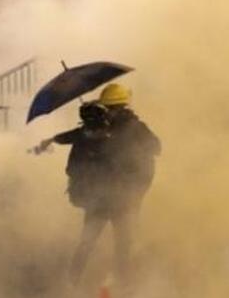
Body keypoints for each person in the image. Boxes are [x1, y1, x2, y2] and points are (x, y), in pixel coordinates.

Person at [33, 86, 160, 285]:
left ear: (117, 107)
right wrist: (53, 139)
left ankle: (88, 280)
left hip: (113, 198)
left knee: (102, 242)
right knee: (109, 243)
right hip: (109, 198)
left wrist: (120, 145)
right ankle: (97, 281)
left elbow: (154, 147)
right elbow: (76, 135)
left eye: (110, 107)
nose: (108, 111)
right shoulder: (103, 127)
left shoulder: (127, 128)